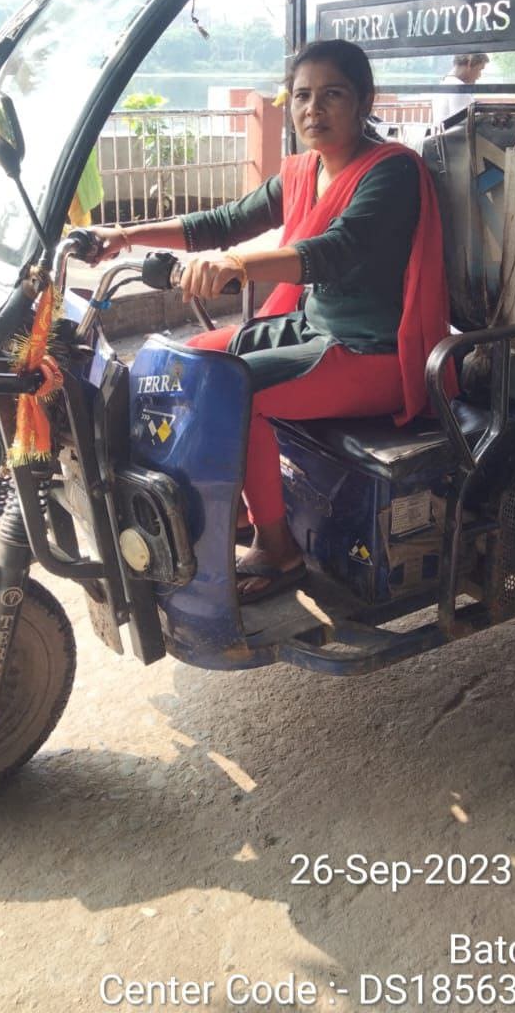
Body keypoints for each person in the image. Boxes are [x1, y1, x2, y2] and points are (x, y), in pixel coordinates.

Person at [91, 39, 456, 601]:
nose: (314, 109)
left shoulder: (392, 171)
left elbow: (336, 250)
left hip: (373, 351)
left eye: (333, 95)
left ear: (364, 101)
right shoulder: (304, 171)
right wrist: (124, 236)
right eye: (303, 96)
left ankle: (278, 549)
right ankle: (234, 506)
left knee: (240, 394)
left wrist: (239, 265)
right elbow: (224, 222)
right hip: (312, 330)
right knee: (186, 363)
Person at [430, 52, 489, 128]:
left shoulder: (444, 83)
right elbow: (465, 127)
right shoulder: (459, 89)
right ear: (469, 64)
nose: (479, 76)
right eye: (479, 69)